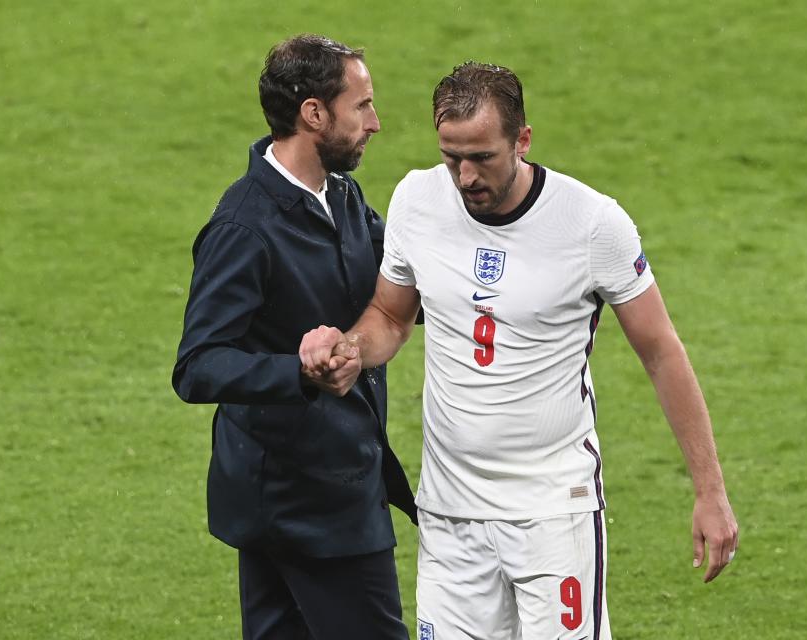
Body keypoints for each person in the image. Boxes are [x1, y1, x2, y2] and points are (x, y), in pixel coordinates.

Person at [299, 61, 739, 639]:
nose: (464, 177)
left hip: (554, 510)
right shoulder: (417, 200)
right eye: (451, 156)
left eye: (482, 157)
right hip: (450, 509)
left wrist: (710, 492)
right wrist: (354, 349)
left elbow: (661, 351)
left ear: (522, 140)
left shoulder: (591, 223)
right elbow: (389, 316)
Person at [172, 34, 416, 640]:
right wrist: (298, 372)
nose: (375, 122)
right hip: (306, 502)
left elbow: (398, 285)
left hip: (313, 483)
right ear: (314, 113)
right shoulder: (244, 228)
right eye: (361, 106)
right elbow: (197, 365)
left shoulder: (343, 196)